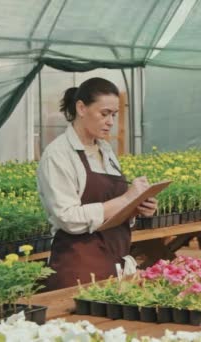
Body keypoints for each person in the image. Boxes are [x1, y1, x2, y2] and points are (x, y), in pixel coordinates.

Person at [37, 77, 157, 290]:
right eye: (104, 114)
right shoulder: (58, 155)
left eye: (114, 114)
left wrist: (136, 208)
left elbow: (112, 206)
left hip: (115, 259)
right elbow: (68, 218)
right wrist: (127, 197)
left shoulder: (105, 149)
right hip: (80, 268)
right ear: (81, 108)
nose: (110, 121)